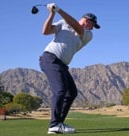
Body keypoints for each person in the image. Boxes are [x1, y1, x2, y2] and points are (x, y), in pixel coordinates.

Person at [39, 3, 100, 134]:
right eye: (92, 25)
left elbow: (76, 26)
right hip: (50, 59)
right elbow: (45, 32)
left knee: (71, 93)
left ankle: (58, 123)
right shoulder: (63, 23)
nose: (92, 28)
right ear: (87, 20)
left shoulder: (88, 35)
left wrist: (59, 10)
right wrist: (52, 14)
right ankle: (54, 124)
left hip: (61, 64)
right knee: (60, 90)